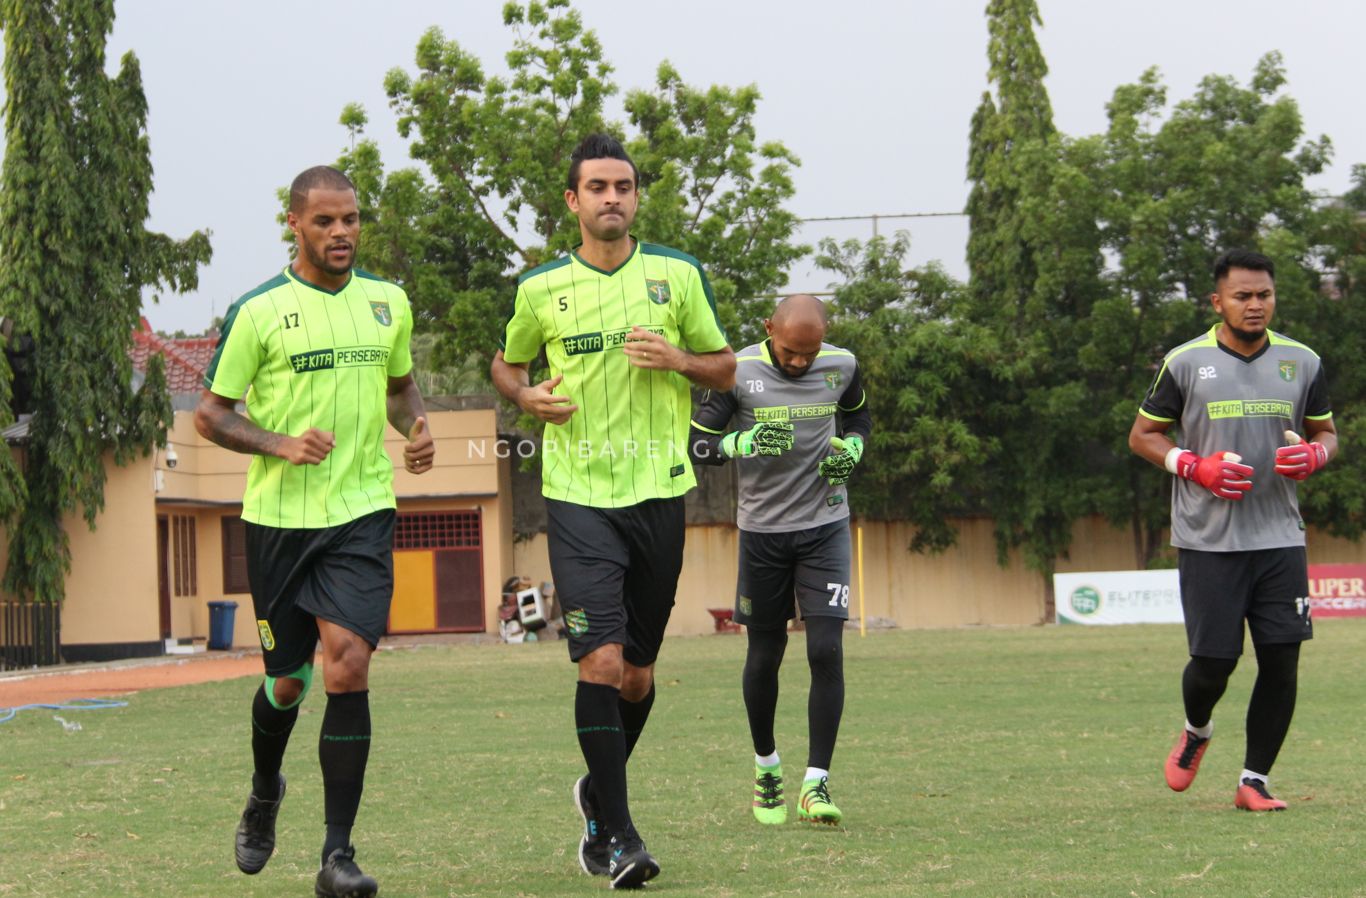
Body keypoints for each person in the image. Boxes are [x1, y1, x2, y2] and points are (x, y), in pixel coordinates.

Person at [491, 133, 735, 889]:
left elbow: (726, 366)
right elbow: (507, 363)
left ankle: (597, 794)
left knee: (636, 676)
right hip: (577, 496)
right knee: (597, 660)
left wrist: (680, 362)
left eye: (623, 187)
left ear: (635, 197)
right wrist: (525, 395)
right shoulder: (540, 289)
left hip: (660, 493)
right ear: (573, 201)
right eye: (597, 187)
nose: (611, 199)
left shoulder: (678, 276)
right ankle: (620, 835)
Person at [195, 165, 434, 897]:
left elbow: (399, 390)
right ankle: (266, 788)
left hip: (361, 512)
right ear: (294, 224)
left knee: (349, 665)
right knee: (289, 684)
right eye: (326, 221)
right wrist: (280, 444)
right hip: (279, 525)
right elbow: (210, 414)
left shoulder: (388, 303)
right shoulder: (258, 311)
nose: (341, 233)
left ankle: (337, 857)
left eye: (352, 219)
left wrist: (417, 428)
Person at [1128, 248, 1336, 812]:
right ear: (1217, 301)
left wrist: (1316, 455)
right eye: (1242, 296)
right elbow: (1143, 435)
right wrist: (1195, 467)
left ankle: (1254, 781)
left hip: (1280, 537)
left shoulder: (1304, 362)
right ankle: (1197, 729)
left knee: (1282, 657)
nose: (1254, 305)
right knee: (1214, 663)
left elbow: (1326, 433)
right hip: (1208, 541)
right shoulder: (1185, 362)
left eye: (1263, 295)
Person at [688, 294, 871, 827]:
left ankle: (817, 783)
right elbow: (698, 447)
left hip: (826, 526)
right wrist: (742, 442)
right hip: (764, 534)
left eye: (808, 354)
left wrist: (854, 449)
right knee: (766, 654)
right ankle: (767, 766)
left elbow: (859, 422)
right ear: (768, 328)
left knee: (825, 650)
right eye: (791, 352)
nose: (799, 363)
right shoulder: (737, 372)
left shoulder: (842, 365)